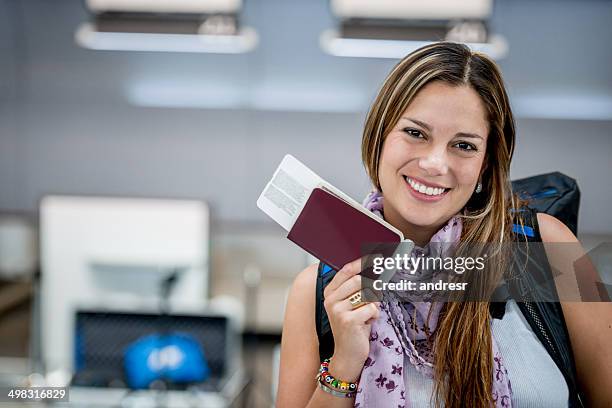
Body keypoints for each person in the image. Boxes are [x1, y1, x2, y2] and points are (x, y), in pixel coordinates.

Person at [276, 42, 612, 407]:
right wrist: (344, 365)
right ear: (380, 137)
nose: (435, 163)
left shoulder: (549, 249)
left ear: (486, 163)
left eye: (464, 145)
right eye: (416, 133)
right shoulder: (318, 291)